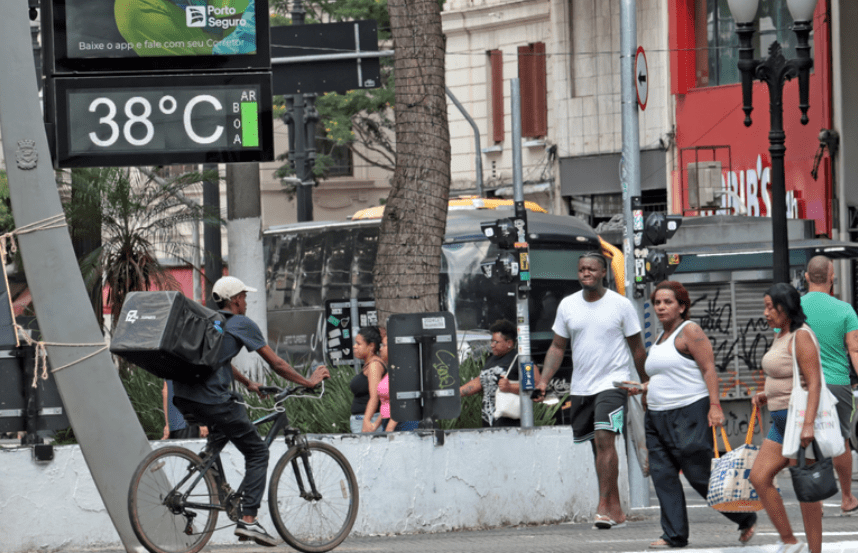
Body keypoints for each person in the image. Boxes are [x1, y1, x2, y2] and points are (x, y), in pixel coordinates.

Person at [172, 276, 329, 547]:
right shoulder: (240, 323)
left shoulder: (210, 322)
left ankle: (215, 483)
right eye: (244, 296)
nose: (246, 301)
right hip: (215, 401)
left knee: (218, 442)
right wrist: (309, 381)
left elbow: (218, 361)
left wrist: (248, 383)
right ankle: (249, 521)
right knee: (257, 452)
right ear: (234, 300)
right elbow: (277, 363)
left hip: (186, 399)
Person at [626, 281, 756, 549]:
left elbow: (709, 369)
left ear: (682, 306)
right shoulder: (660, 339)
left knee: (698, 473)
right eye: (657, 302)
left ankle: (744, 515)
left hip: (689, 413)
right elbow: (667, 376)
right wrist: (643, 387)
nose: (661, 307)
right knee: (663, 476)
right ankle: (674, 535)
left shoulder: (690, 330)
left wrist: (715, 405)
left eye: (668, 302)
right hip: (656, 416)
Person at [533, 252, 647, 529]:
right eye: (582, 269)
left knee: (605, 439)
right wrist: (544, 380)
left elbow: (637, 349)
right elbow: (558, 347)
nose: (586, 273)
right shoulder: (568, 305)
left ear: (604, 272)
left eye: (592, 269)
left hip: (614, 385)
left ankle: (602, 507)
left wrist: (646, 385)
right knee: (597, 447)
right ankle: (617, 510)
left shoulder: (621, 305)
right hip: (582, 388)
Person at [749, 283, 822, 553]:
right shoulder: (782, 333)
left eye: (770, 307)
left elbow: (813, 383)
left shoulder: (801, 336)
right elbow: (787, 375)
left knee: (806, 490)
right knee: (759, 477)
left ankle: (815, 550)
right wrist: (766, 394)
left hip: (798, 420)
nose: (766, 312)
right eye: (765, 306)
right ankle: (790, 541)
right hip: (780, 422)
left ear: (786, 308)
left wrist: (808, 424)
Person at [800, 255, 858, 515]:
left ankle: (817, 500)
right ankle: (847, 497)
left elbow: (783, 347)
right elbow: (855, 350)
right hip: (837, 384)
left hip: (802, 385)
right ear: (832, 278)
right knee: (841, 440)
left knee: (809, 440)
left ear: (806, 277)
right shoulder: (845, 310)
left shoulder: (794, 308)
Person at [459, 319, 522, 427]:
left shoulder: (520, 359)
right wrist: (455, 394)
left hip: (509, 424)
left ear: (509, 343)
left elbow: (535, 386)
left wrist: (510, 387)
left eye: (496, 342)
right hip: (488, 421)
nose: (492, 345)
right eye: (491, 341)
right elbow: (480, 381)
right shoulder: (491, 359)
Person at [373, 332, 419, 431]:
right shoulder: (391, 371)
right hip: (389, 421)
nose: (380, 349)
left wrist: (390, 428)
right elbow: (387, 404)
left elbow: (402, 402)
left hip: (403, 423)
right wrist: (375, 425)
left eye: (384, 345)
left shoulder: (403, 370)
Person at [349, 326, 385, 433]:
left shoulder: (374, 365)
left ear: (371, 346)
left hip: (368, 420)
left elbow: (375, 396)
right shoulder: (368, 364)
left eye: (359, 344)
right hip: (361, 420)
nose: (354, 347)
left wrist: (366, 421)